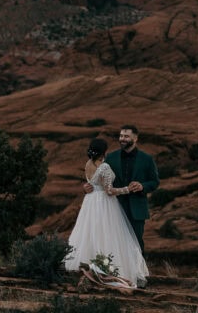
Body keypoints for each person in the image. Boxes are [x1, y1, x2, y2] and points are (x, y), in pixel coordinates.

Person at [64, 137, 149, 289]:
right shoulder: (105, 167)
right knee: (110, 234)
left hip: (90, 202)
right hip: (104, 203)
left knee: (89, 232)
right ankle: (109, 269)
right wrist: (127, 189)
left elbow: (92, 184)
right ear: (104, 151)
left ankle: (88, 266)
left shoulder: (88, 164)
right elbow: (109, 191)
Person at [103, 124, 160, 254]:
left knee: (136, 243)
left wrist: (142, 186)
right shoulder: (110, 157)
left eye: (126, 136)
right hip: (115, 207)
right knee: (114, 242)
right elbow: (102, 180)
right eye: (121, 135)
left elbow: (155, 182)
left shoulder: (147, 159)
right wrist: (88, 187)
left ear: (135, 139)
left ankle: (139, 273)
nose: (122, 139)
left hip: (137, 208)